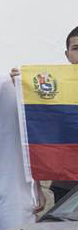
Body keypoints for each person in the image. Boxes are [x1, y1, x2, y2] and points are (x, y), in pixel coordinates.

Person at [48, 26, 78, 203]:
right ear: (67, 54)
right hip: (65, 184)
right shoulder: (53, 86)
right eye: (76, 49)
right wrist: (21, 85)